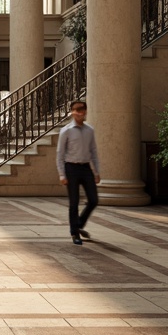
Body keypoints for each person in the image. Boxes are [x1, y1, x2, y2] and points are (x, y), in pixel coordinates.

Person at [56, 100, 100, 245]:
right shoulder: (66, 131)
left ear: (85, 111)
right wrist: (62, 174)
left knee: (93, 200)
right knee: (74, 202)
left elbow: (93, 151)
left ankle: (78, 224)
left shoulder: (89, 130)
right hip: (71, 168)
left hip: (86, 168)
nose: (78, 113)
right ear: (72, 112)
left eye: (81, 110)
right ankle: (75, 233)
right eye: (75, 110)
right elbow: (60, 154)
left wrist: (96, 171)